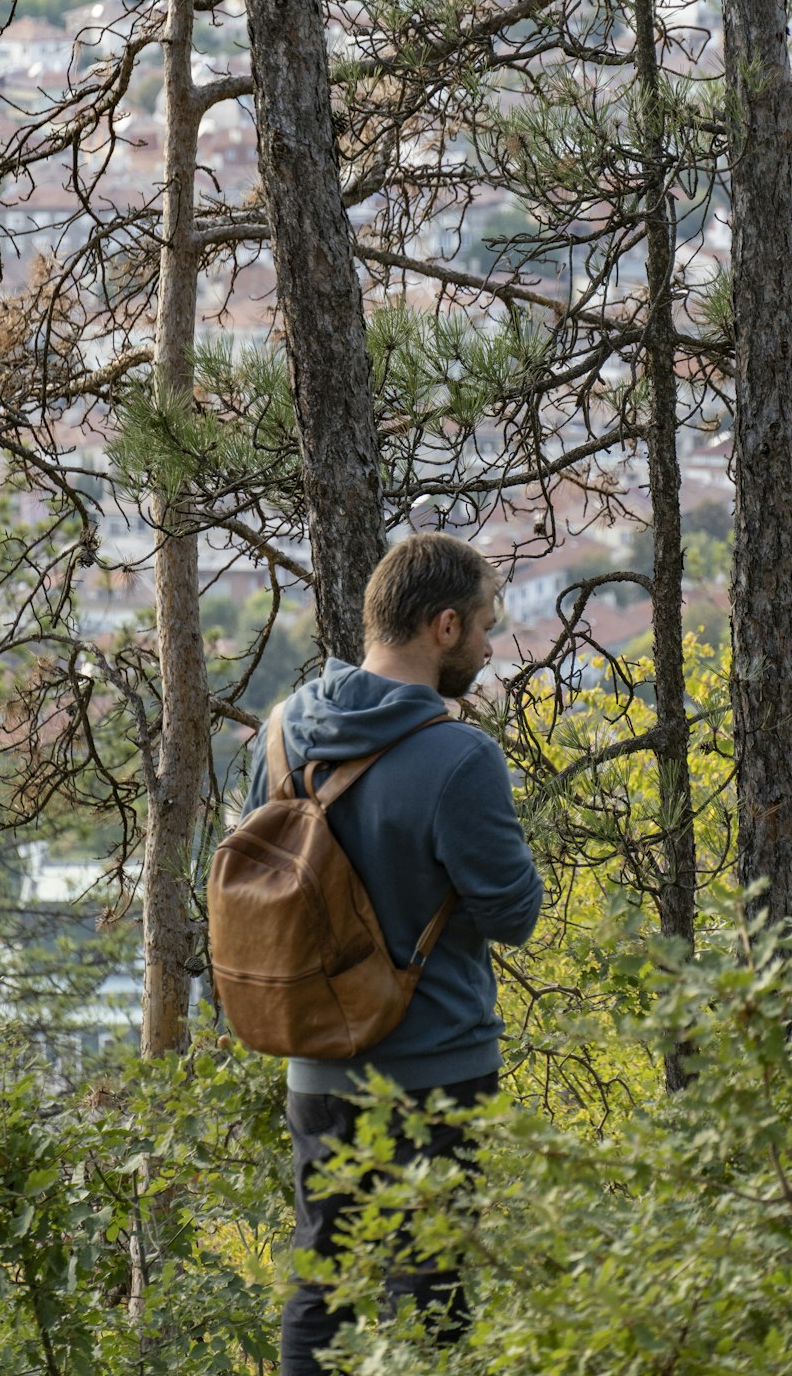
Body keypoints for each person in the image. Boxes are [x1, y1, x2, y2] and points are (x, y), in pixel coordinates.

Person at [239, 533, 544, 1376]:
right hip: (438, 1068)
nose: (488, 645)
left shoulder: (281, 733)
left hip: (316, 1067)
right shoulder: (460, 757)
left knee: (321, 1288)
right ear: (444, 627)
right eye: (484, 625)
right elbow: (513, 913)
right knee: (438, 1293)